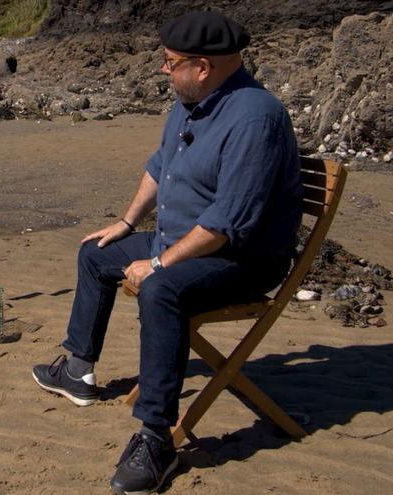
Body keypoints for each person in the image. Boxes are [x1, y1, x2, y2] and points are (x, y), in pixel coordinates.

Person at [31, 11, 303, 494]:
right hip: (182, 242)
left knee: (160, 291)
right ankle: (77, 370)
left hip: (240, 259)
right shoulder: (189, 101)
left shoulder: (256, 118)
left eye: (170, 62)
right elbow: (159, 169)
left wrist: (158, 263)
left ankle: (156, 437)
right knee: (97, 252)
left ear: (202, 66)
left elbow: (226, 223)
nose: (163, 69)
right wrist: (125, 223)